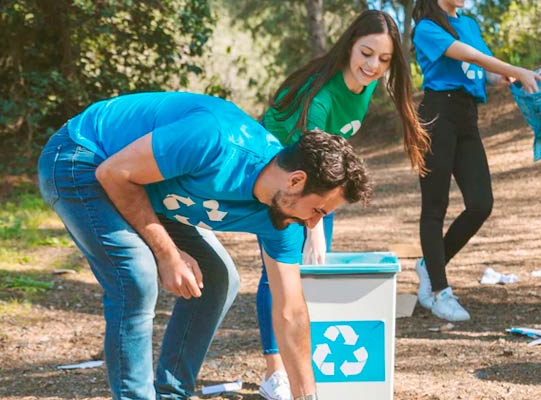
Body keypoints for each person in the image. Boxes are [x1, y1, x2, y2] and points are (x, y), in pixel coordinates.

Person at [37, 92, 372, 400]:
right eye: (318, 211)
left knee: (219, 278)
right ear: (296, 181)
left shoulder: (285, 219)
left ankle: (171, 394)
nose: (314, 224)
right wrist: (167, 254)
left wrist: (307, 397)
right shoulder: (214, 138)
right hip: (82, 157)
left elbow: (291, 312)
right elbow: (114, 173)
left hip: (147, 190)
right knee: (136, 277)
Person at [254, 10, 430, 399]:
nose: (373, 66)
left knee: (314, 268)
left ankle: (309, 358)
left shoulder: (365, 84)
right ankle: (274, 372)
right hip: (280, 178)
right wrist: (313, 225)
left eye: (384, 59)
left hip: (317, 179)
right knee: (279, 272)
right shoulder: (320, 98)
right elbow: (305, 170)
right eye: (366, 53)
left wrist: (320, 224)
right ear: (350, 44)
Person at [410, 0, 541, 322]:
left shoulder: (469, 24)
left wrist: (507, 78)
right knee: (434, 207)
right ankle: (439, 291)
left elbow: (482, 68)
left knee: (481, 203)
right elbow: (466, 55)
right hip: (437, 115)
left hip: (467, 116)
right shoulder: (426, 27)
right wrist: (512, 68)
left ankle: (430, 264)